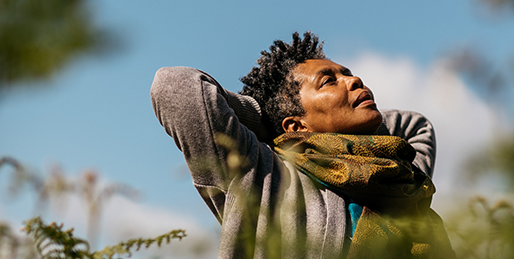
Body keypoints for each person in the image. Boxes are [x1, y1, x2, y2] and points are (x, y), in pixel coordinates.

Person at [150, 32, 455, 259]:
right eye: (329, 81)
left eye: (348, 74)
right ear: (297, 126)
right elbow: (174, 87)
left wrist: (365, 129)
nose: (355, 80)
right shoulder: (266, 177)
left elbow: (416, 127)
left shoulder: (404, 180)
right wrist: (266, 118)